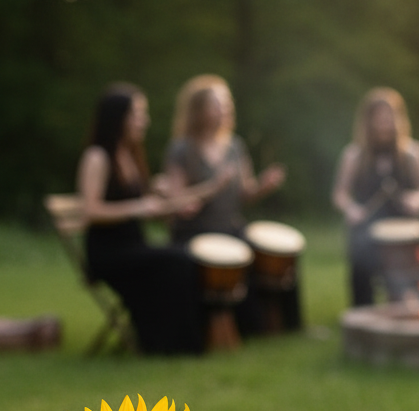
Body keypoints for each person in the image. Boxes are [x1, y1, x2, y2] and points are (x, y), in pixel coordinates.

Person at [79, 83, 217, 355]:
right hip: (108, 253)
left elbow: (147, 207)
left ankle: (178, 341)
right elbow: (90, 211)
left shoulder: (129, 157)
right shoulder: (97, 157)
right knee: (177, 262)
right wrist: (138, 207)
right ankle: (170, 344)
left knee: (187, 256)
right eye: (139, 113)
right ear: (119, 118)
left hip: (133, 246)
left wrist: (173, 206)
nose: (145, 121)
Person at [332, 88, 419, 306]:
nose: (384, 123)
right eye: (378, 117)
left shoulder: (413, 153)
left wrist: (417, 200)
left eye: (389, 117)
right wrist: (351, 209)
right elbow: (340, 194)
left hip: (406, 219)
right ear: (367, 121)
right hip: (368, 222)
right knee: (360, 253)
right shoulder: (354, 155)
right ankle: (363, 310)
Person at [163, 75, 286, 244]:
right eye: (217, 104)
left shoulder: (235, 146)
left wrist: (263, 185)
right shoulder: (182, 149)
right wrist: (212, 187)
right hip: (194, 233)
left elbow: (245, 195)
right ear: (198, 110)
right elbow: (174, 199)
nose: (224, 109)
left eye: (227, 104)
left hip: (229, 229)